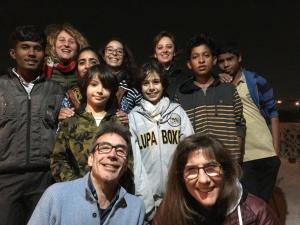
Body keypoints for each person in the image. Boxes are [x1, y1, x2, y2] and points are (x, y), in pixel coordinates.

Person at [0, 25, 64, 225]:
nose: (31, 53)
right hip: (5, 180)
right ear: (13, 52)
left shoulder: (55, 90)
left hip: (43, 179)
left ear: (44, 54)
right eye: (25, 47)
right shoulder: (1, 87)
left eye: (37, 48)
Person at [28, 123, 145, 225]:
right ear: (90, 159)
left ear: (125, 166)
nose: (112, 155)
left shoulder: (135, 208)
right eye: (104, 148)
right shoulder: (56, 196)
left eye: (120, 151)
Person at [153, 134, 280, 225]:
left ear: (226, 171)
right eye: (191, 170)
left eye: (211, 167)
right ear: (180, 177)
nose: (203, 180)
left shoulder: (257, 212)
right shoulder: (167, 212)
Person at [128, 60, 194, 220]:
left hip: (178, 196)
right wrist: (146, 204)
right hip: (148, 200)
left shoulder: (178, 112)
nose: (151, 88)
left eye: (156, 82)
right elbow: (136, 164)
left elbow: (191, 155)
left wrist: (184, 192)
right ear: (140, 87)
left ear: (163, 84)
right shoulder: (133, 117)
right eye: (145, 83)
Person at [216, 41, 281, 202]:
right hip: (242, 157)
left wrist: (276, 151)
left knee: (264, 203)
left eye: (229, 59)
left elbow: (273, 113)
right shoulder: (218, 86)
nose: (225, 64)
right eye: (221, 61)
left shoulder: (257, 81)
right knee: (251, 204)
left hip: (267, 153)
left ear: (239, 58)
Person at [174, 33, 246, 163]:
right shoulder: (181, 93)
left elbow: (239, 124)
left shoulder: (228, 89)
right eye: (195, 57)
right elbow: (178, 132)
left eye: (206, 55)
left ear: (213, 60)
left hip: (228, 163)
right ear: (189, 64)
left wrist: (237, 156)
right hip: (198, 164)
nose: (201, 60)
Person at [51, 64, 120, 182]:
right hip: (77, 192)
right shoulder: (71, 121)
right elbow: (58, 159)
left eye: (106, 86)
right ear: (85, 87)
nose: (100, 91)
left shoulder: (118, 122)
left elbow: (127, 160)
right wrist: (75, 186)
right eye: (94, 85)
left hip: (112, 191)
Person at [99, 37, 142, 115]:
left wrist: (130, 118)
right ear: (103, 55)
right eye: (110, 50)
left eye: (119, 51)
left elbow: (143, 112)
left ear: (124, 57)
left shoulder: (134, 83)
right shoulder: (96, 81)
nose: (114, 53)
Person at [44, 23, 89, 93]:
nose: (66, 44)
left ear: (78, 47)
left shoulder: (84, 68)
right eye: (62, 40)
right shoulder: (42, 67)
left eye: (71, 42)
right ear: (53, 45)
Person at [59, 46, 101, 120]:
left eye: (93, 62)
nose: (87, 66)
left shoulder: (114, 93)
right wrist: (61, 115)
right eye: (82, 63)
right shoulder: (71, 95)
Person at [152, 30, 192, 99]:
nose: (165, 50)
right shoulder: (148, 76)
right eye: (160, 48)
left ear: (174, 52)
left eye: (169, 47)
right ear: (155, 54)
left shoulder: (185, 77)